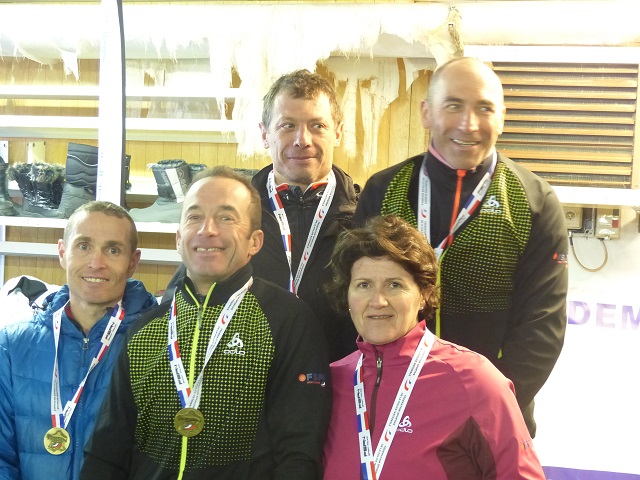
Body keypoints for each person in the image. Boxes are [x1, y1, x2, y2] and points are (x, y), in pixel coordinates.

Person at [354, 57, 568, 436]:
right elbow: (357, 300)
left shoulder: (534, 201)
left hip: (490, 417)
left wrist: (483, 406)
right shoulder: (384, 190)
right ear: (426, 113)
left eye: (484, 108)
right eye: (453, 105)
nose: (468, 124)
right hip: (392, 409)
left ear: (501, 117)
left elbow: (542, 327)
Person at [81, 166, 331, 479]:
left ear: (255, 241)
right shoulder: (146, 329)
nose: (207, 229)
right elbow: (107, 451)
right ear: (178, 238)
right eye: (194, 217)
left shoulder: (288, 320)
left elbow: (298, 455)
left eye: (226, 217)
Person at [322, 215, 545, 479]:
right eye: (363, 285)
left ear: (424, 295)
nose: (377, 301)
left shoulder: (474, 380)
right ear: (347, 295)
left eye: (394, 285)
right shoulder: (331, 382)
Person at [164, 69, 359, 362]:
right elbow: (182, 301)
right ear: (265, 134)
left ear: (338, 132)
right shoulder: (229, 216)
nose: (302, 139)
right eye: (287, 125)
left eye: (317, 125)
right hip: (243, 377)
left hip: (342, 379)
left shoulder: (365, 216)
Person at [0, 201, 157, 480]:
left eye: (113, 250)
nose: (96, 263)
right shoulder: (11, 346)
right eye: (84, 246)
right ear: (63, 252)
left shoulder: (157, 345)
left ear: (132, 262)